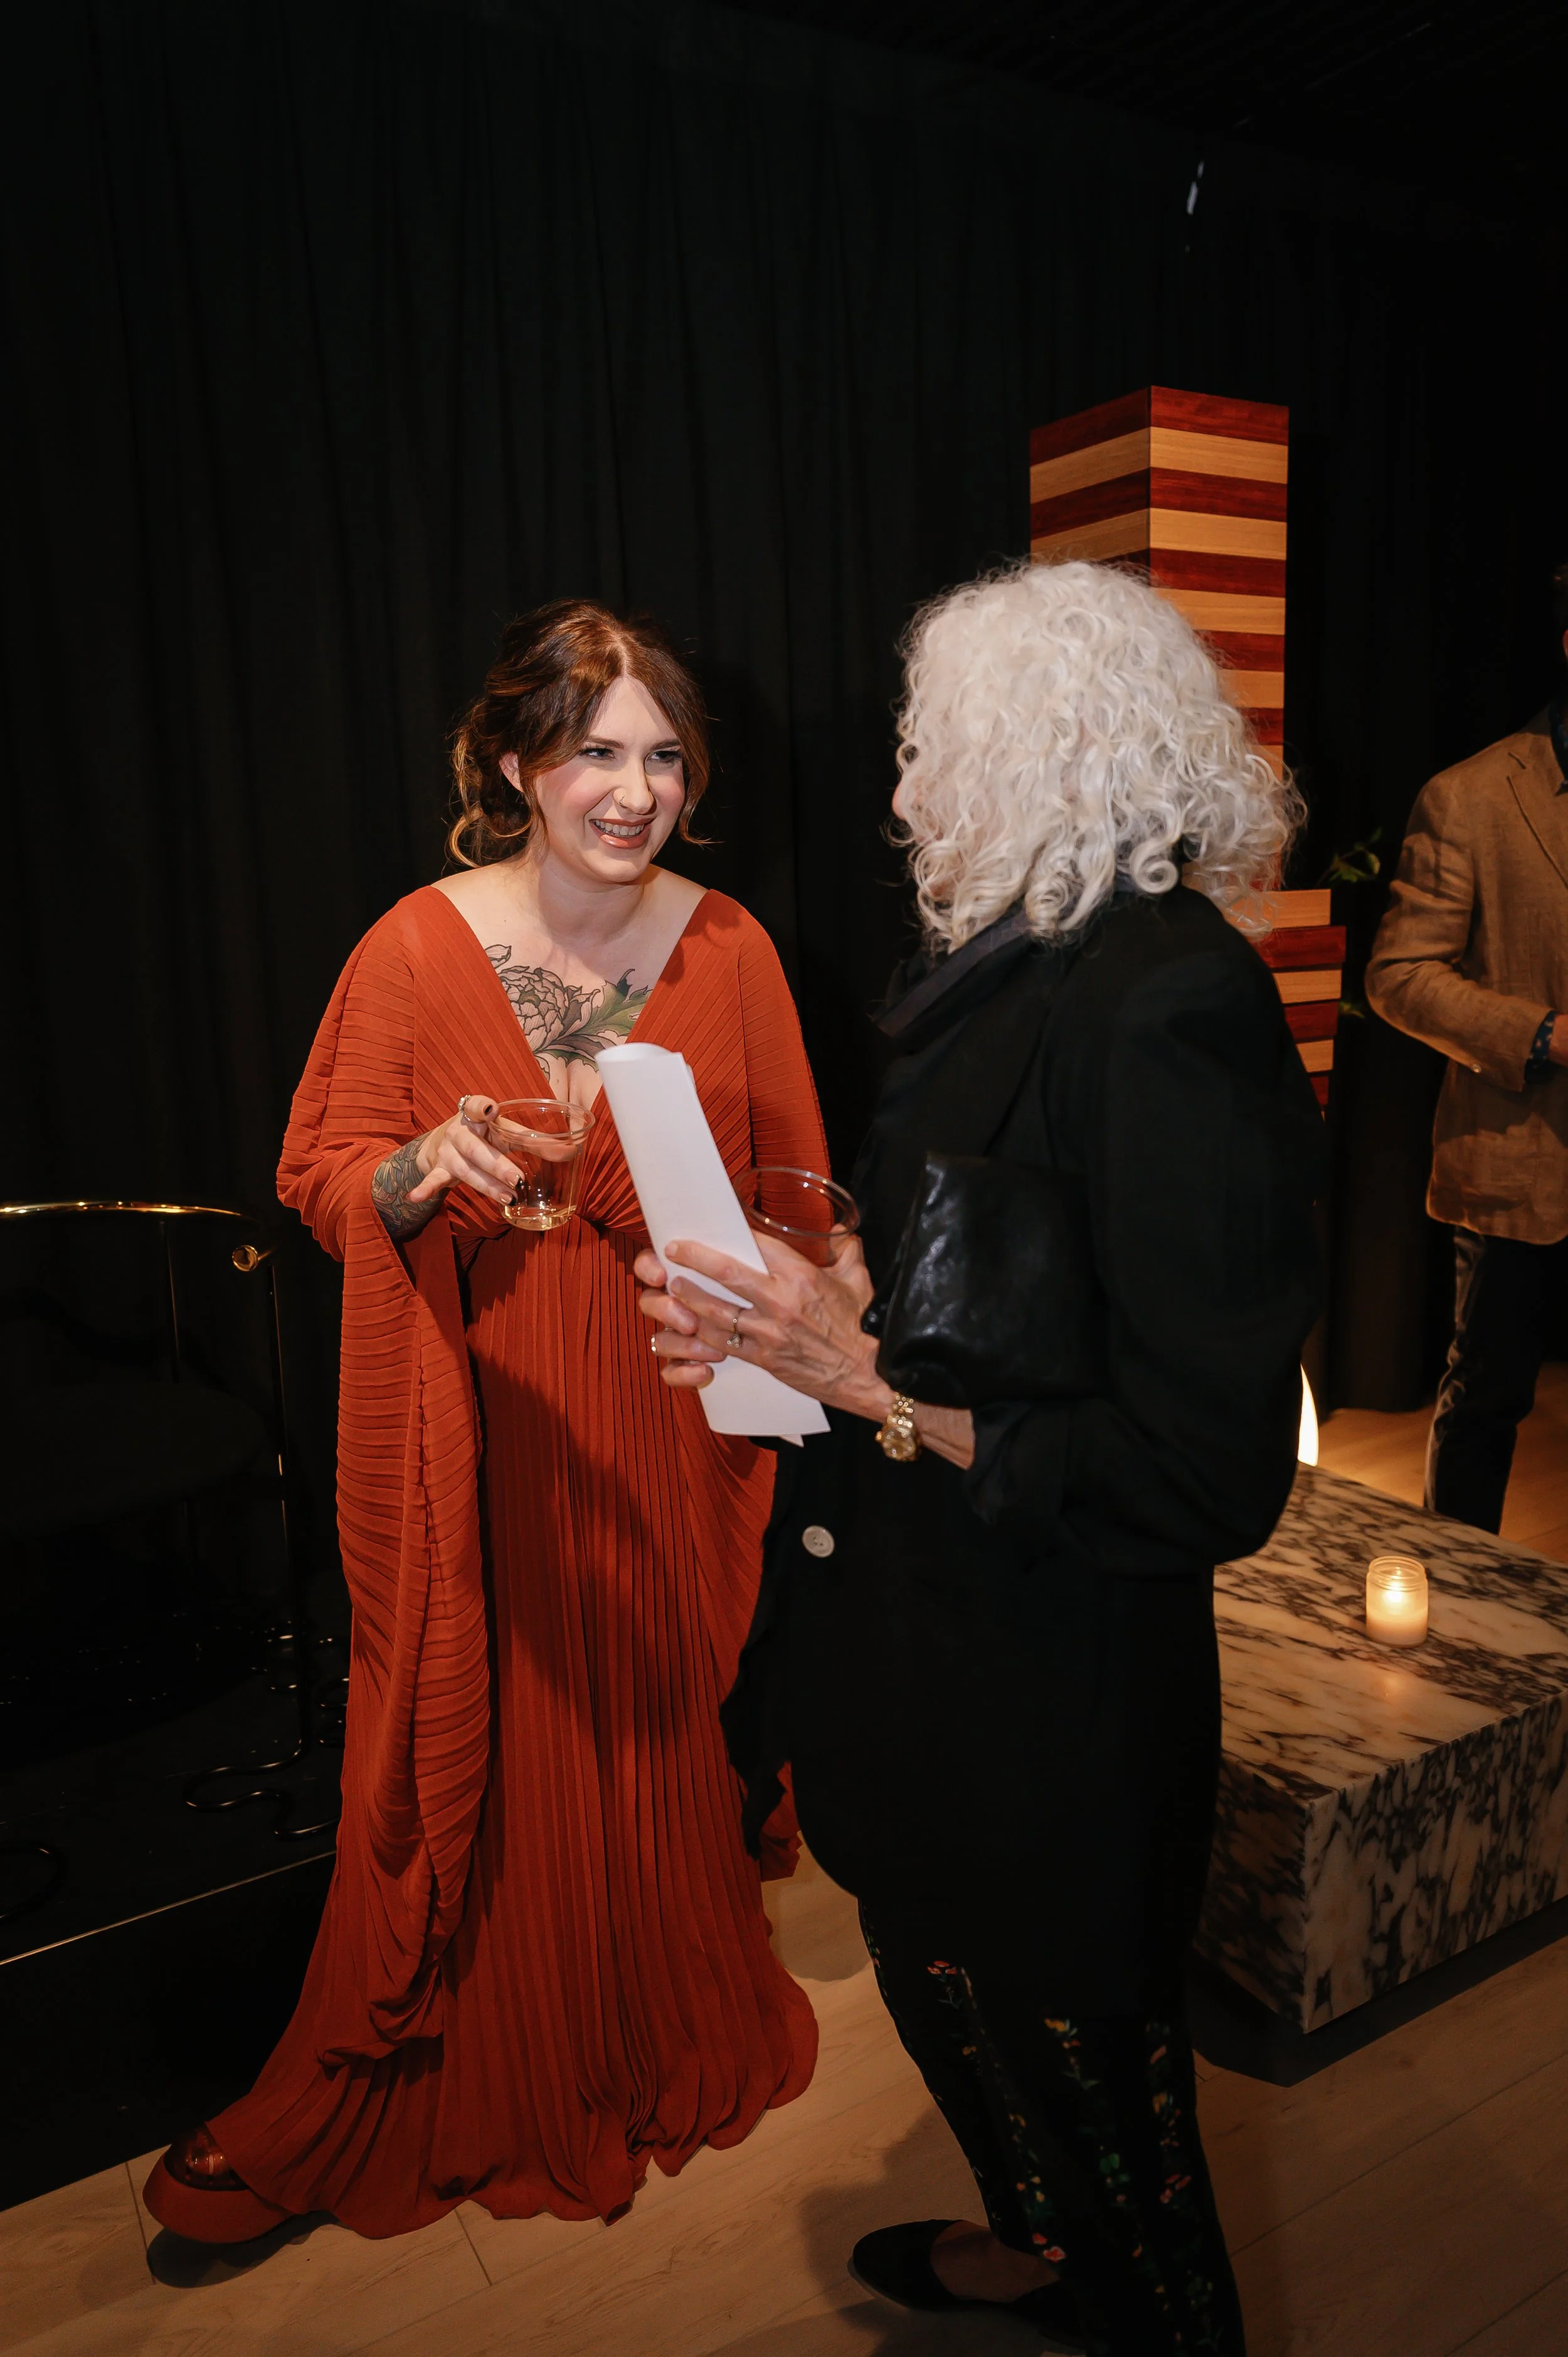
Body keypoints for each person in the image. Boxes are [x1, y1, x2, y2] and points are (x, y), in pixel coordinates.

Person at [639, 560, 1324, 2357]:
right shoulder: (997, 969)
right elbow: (996, 1280)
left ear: (1043, 749)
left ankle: (1137, 2305)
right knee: (957, 2017)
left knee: (1116, 2124)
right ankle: (1039, 2248)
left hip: (1050, 1701)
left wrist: (859, 1375)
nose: (898, 788)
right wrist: (815, 1304)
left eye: (924, 744)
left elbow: (1200, 1473)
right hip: (924, 1666)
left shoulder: (1174, 1006)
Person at [144, 600, 825, 2243]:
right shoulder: (412, 942)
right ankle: (408, 2048)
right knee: (469, 1733)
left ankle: (641, 2012)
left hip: (662, 1411)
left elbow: (796, 1195)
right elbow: (324, 1178)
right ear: (517, 760)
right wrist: (413, 1172)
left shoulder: (729, 946)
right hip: (482, 1421)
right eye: (596, 747)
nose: (635, 787)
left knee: (642, 1723)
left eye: (664, 754)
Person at [1365, 562, 1568, 1533]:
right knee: (1487, 1403)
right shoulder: (1471, 797)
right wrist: (1541, 1033)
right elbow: (1399, 975)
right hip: (1517, 1156)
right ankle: (1461, 1609)